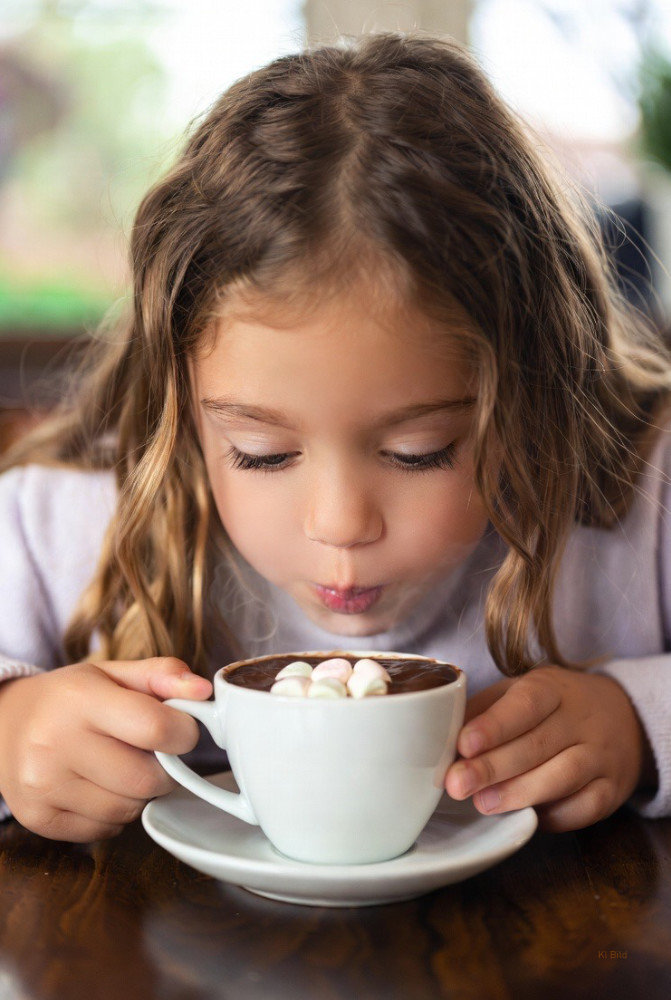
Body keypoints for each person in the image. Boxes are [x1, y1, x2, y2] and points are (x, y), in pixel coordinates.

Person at [0, 32, 669, 844]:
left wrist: (638, 723)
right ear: (180, 401)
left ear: (535, 393)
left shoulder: (643, 496)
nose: (340, 524)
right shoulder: (58, 525)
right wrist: (10, 733)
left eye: (419, 451)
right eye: (262, 454)